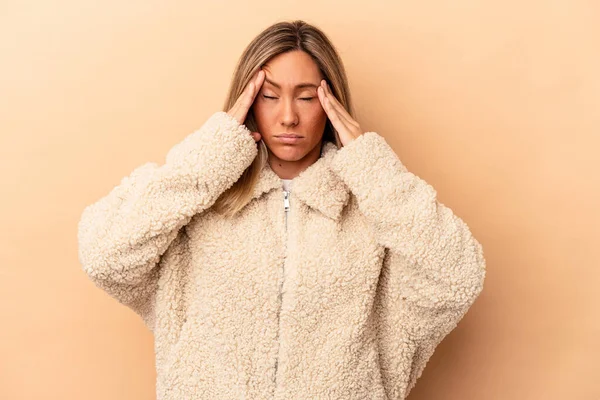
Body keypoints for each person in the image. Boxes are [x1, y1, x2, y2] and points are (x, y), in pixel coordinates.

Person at [77, 19, 486, 400]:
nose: (288, 116)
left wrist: (370, 165)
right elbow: (105, 254)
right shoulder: (198, 204)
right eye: (270, 96)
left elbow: (457, 276)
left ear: (331, 104)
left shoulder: (372, 210)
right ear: (249, 101)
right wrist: (211, 153)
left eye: (307, 97)